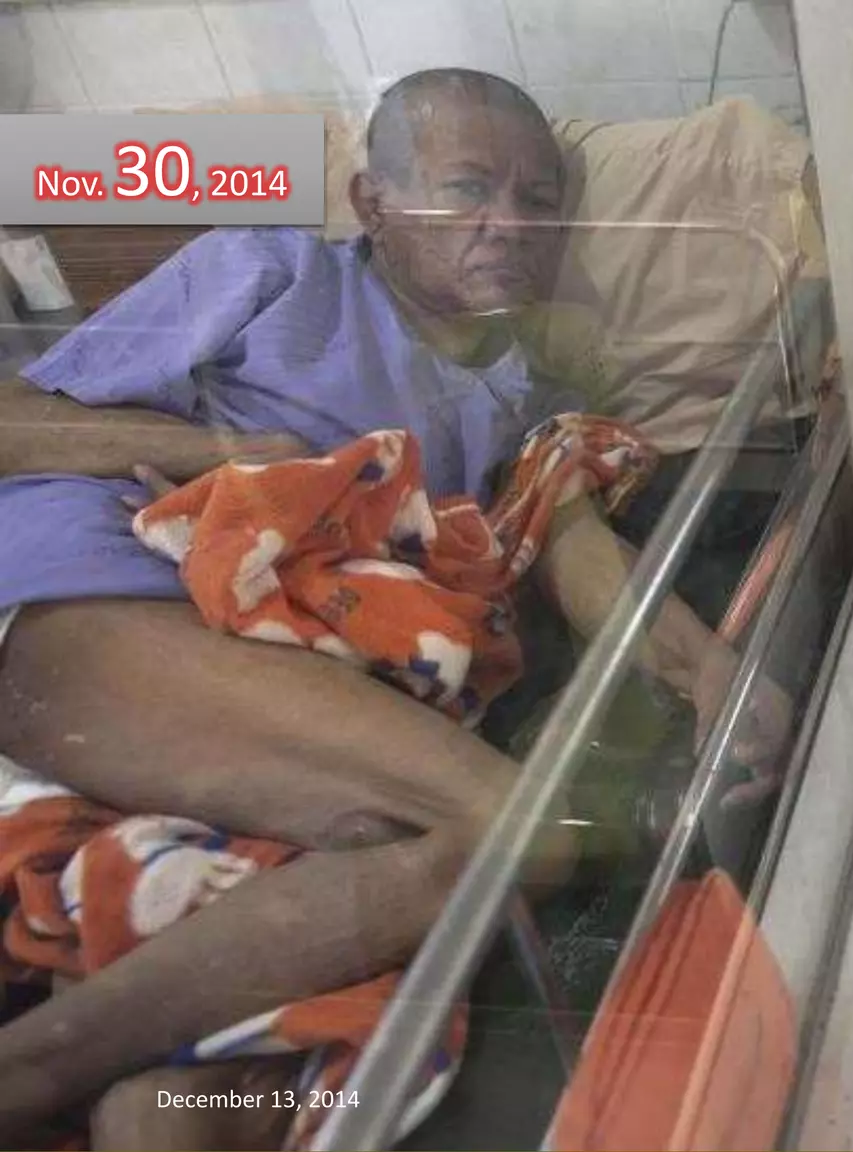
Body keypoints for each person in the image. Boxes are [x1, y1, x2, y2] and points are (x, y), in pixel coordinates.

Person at [0, 68, 789, 1141]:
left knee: (201, 1105)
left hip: (302, 674)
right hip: (104, 590)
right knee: (510, 828)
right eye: (469, 190)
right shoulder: (268, 268)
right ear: (374, 204)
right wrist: (223, 453)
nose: (509, 225)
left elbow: (569, 542)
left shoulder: (528, 383)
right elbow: (20, 417)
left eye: (538, 198)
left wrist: (708, 668)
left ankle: (131, 1086)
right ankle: (32, 1073)